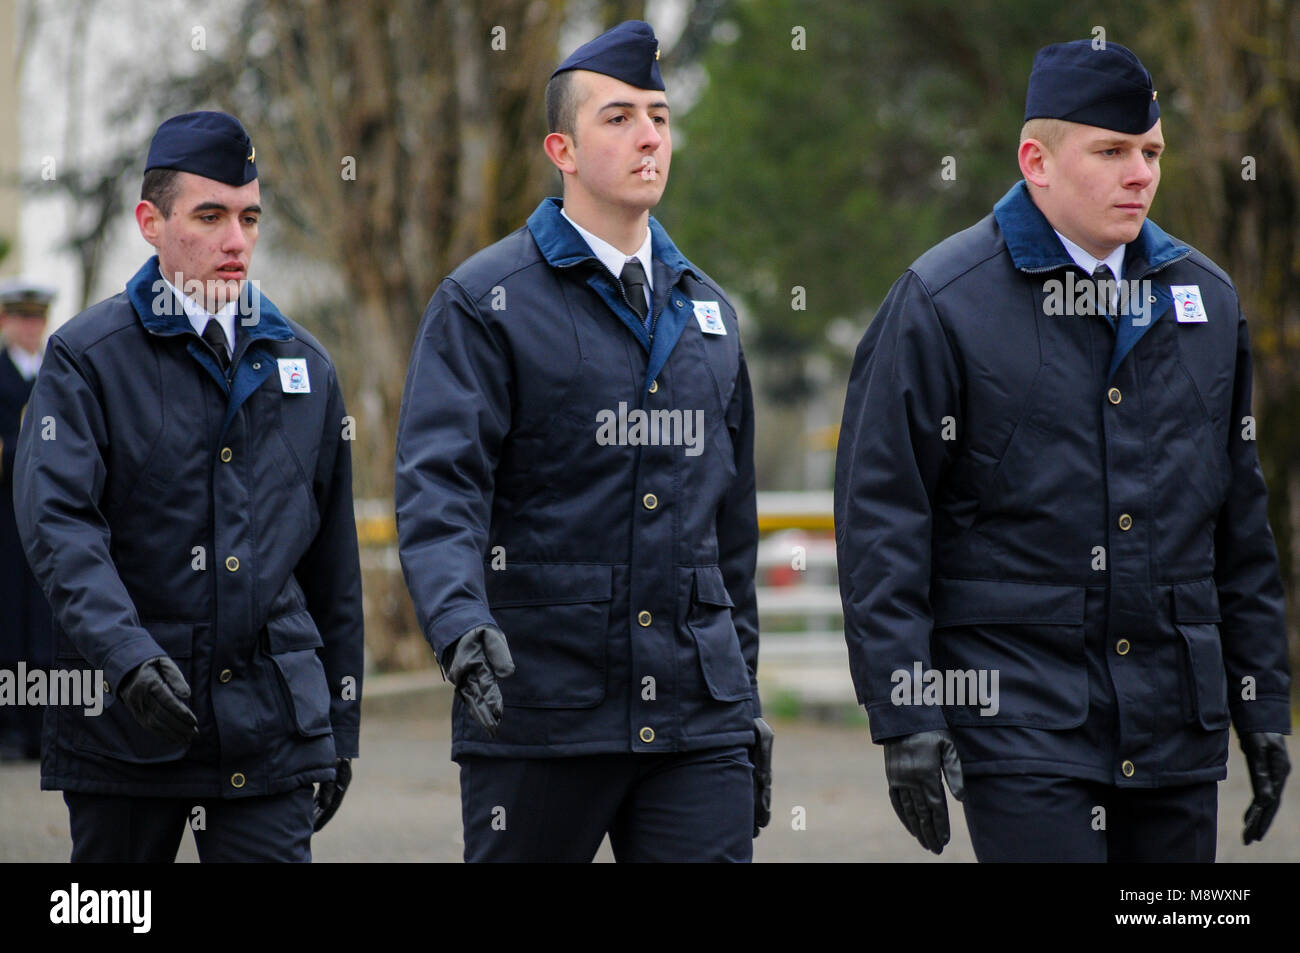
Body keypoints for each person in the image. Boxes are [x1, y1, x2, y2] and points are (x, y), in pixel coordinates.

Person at [835, 40, 1290, 862]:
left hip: (1173, 723)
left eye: (1151, 151)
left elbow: (1240, 529)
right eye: (1111, 151)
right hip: (1022, 719)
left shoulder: (1209, 303)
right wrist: (904, 713)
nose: (1140, 173)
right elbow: (883, 521)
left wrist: (1262, 704)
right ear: (1035, 160)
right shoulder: (943, 304)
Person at [396, 20, 772, 863]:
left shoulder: (709, 315)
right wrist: (458, 622)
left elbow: (731, 530)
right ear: (560, 147)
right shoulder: (485, 301)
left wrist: (742, 700)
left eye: (661, 116)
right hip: (540, 705)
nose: (649, 135)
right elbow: (441, 487)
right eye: (620, 117)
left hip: (694, 718)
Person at [14, 111, 363, 862]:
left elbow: (333, 568)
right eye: (210, 216)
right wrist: (128, 656)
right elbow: (60, 526)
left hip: (270, 732)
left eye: (249, 217)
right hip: (128, 729)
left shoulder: (306, 369)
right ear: (151, 221)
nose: (236, 241)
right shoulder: (88, 360)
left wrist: (338, 723)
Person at [0, 279, 56, 761]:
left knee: (47, 619)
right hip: (4, 518)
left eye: (37, 319)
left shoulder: (57, 374)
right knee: (8, 619)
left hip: (48, 516)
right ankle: (10, 726)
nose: (31, 328)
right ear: (5, 322)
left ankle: (44, 724)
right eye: (23, 318)